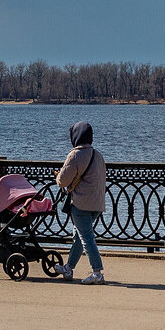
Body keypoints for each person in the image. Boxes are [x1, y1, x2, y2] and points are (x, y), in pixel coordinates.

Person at [53, 120, 107, 284]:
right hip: (97, 204)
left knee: (86, 237)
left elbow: (62, 181)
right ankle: (68, 268)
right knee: (79, 235)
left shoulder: (75, 155)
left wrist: (57, 175)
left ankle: (97, 273)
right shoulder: (98, 155)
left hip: (81, 203)